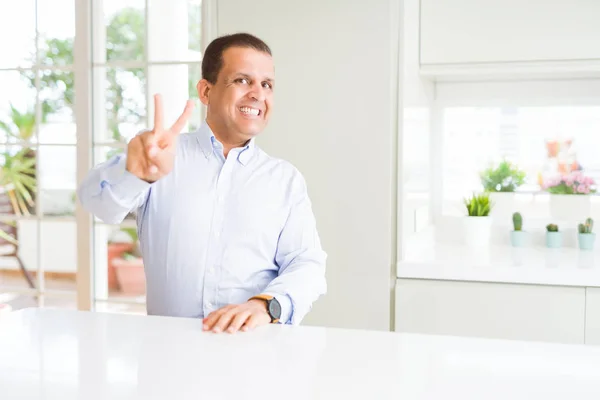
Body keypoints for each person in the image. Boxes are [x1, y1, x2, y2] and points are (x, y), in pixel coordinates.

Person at [77, 33, 327, 333]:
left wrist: (265, 304)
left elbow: (307, 264)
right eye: (242, 80)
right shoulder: (160, 156)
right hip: (168, 356)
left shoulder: (285, 180)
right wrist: (135, 173)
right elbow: (96, 202)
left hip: (254, 357)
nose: (258, 94)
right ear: (206, 91)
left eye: (267, 84)